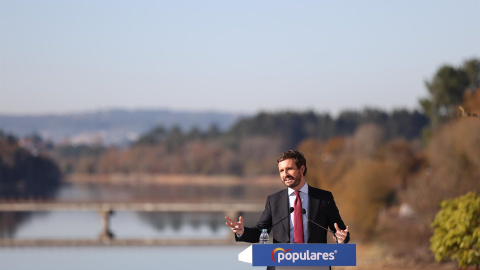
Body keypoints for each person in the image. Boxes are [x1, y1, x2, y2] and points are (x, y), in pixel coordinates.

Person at [225, 150, 350, 269]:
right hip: (281, 266)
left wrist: (341, 238)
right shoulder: (273, 200)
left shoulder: (323, 198)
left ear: (302, 169)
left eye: (289, 169)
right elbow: (260, 232)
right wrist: (241, 231)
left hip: (315, 265)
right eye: (281, 171)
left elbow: (340, 230)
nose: (285, 174)